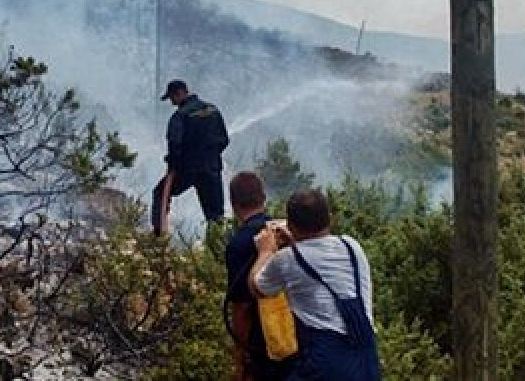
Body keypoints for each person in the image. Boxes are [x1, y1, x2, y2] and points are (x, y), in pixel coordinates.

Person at [248, 190, 381, 381]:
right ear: (330, 219)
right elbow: (319, 255)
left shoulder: (287, 260)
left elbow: (257, 287)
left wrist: (265, 251)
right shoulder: (352, 246)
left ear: (291, 225)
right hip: (366, 361)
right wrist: (295, 239)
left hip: (324, 364)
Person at [225, 172, 294, 381]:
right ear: (263, 199)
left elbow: (242, 306)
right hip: (295, 335)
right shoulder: (285, 233)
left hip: (262, 341)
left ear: (233, 203)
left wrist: (240, 355)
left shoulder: (239, 244)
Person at [151, 80, 229, 236]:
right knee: (215, 216)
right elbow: (224, 140)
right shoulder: (213, 110)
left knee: (160, 193)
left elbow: (174, 146)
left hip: (187, 170)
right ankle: (218, 251)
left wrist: (174, 164)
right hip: (212, 168)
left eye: (172, 98)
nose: (172, 103)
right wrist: (210, 156)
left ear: (180, 93)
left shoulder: (180, 116)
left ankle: (158, 236)